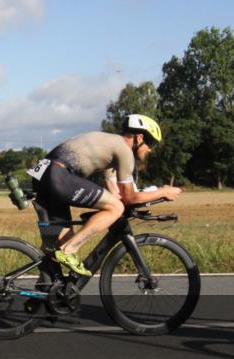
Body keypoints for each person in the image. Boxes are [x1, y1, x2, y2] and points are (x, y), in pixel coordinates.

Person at [27, 114, 182, 276]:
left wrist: (134, 200)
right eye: (150, 143)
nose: (150, 149)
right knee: (114, 209)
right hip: (58, 175)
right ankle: (68, 250)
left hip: (42, 174)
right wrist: (163, 192)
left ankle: (45, 290)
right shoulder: (124, 151)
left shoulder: (110, 145)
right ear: (140, 137)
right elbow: (129, 198)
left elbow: (115, 192)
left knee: (58, 243)